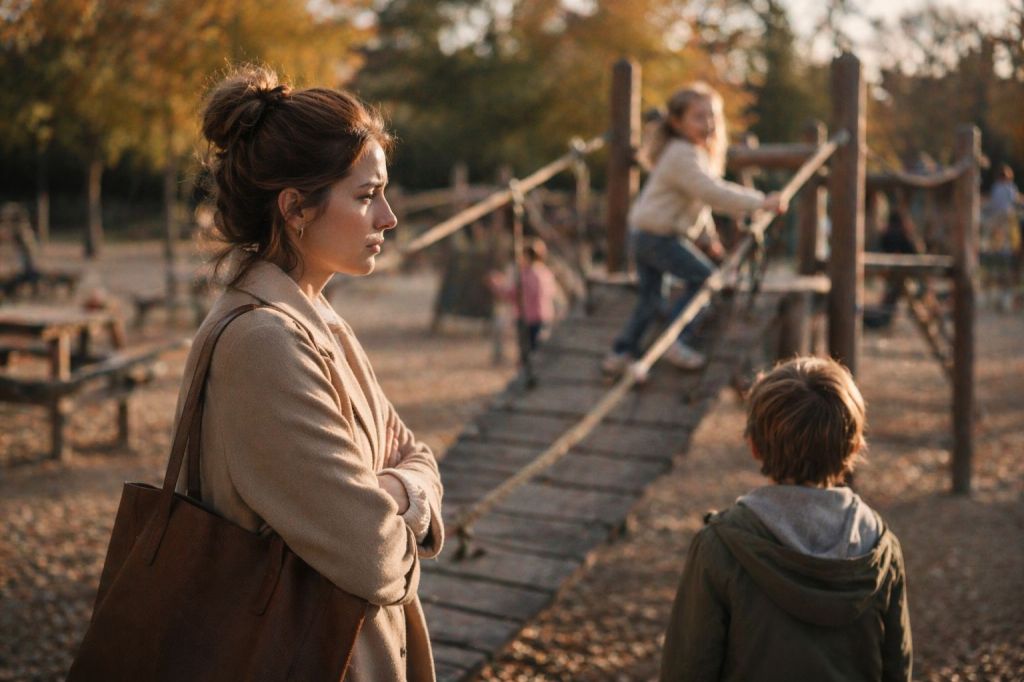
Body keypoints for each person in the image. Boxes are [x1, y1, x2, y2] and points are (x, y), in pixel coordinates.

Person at [178, 65, 444, 681]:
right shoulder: (263, 343)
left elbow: (417, 454)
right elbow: (375, 557)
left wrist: (398, 491)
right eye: (365, 195)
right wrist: (410, 499)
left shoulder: (317, 319)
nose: (388, 217)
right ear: (296, 208)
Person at [659, 356, 912, 682]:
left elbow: (688, 669)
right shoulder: (880, 548)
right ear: (854, 448)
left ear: (754, 447)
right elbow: (897, 667)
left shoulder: (720, 546)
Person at [602, 82, 786, 375]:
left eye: (712, 116)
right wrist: (761, 202)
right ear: (677, 123)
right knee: (704, 280)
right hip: (657, 237)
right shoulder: (682, 154)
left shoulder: (689, 153)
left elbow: (697, 204)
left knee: (650, 299)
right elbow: (712, 193)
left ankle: (622, 352)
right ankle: (676, 340)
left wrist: (708, 238)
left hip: (644, 234)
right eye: (699, 117)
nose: (709, 123)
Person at [488, 237, 560, 352]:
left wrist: (497, 286)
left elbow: (515, 295)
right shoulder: (546, 273)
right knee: (540, 351)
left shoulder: (527, 275)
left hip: (529, 319)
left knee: (530, 353)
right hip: (545, 317)